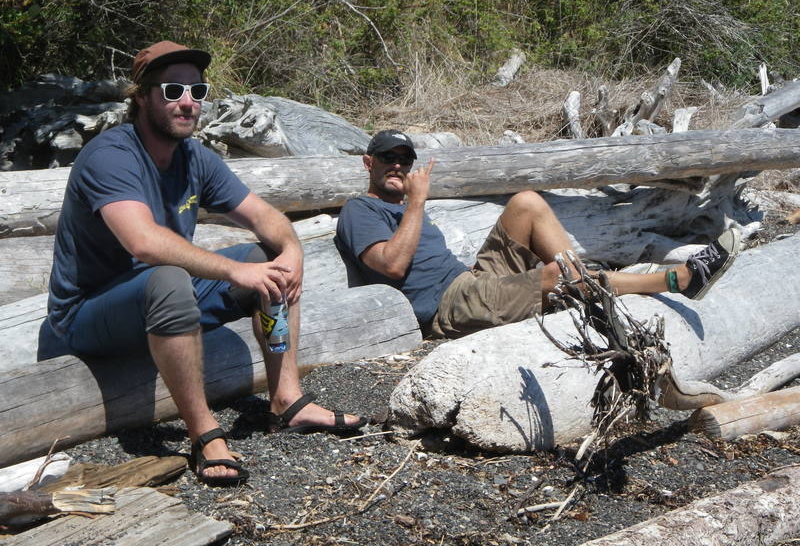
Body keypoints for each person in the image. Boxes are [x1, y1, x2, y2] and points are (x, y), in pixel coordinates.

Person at [44, 40, 366, 487]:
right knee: (172, 278)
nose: (187, 102)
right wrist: (233, 271)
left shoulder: (195, 157)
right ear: (141, 97)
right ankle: (203, 433)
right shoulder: (112, 156)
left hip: (161, 294)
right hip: (85, 314)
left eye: (198, 91)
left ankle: (286, 400)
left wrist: (290, 251)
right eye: (172, 89)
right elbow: (142, 242)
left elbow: (264, 216)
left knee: (267, 262)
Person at [335, 129, 740, 339]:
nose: (398, 166)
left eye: (404, 160)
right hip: (447, 307)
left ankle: (583, 288)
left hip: (470, 282)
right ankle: (678, 279)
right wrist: (419, 203)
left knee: (526, 202)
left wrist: (413, 204)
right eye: (388, 158)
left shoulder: (405, 207)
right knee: (558, 275)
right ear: (368, 163)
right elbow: (390, 265)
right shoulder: (360, 209)